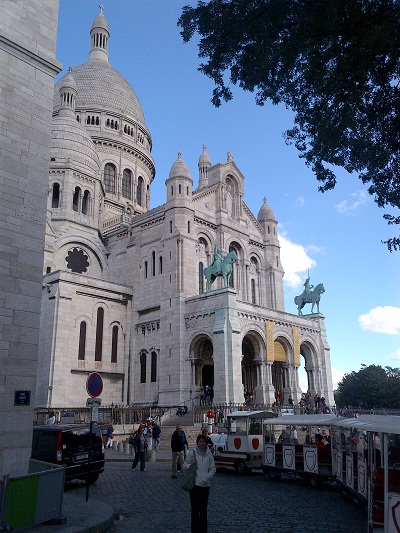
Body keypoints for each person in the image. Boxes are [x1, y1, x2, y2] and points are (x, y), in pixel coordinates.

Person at [184, 433, 216, 533]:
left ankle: (203, 530)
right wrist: (191, 465)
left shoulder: (209, 454)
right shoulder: (192, 453)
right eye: (200, 441)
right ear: (197, 442)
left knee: (203, 510)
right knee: (195, 509)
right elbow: (185, 465)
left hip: (205, 485)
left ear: (206, 443)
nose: (202, 443)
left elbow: (213, 468)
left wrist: (207, 477)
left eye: (203, 442)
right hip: (195, 485)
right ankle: (195, 530)